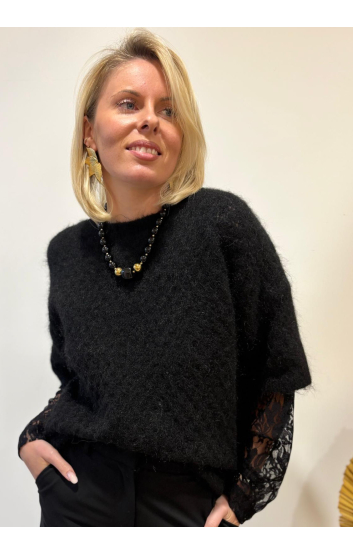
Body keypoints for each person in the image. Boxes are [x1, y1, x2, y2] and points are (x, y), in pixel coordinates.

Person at [18, 28, 313, 527]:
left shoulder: (220, 225)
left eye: (169, 111)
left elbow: (275, 372)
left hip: (182, 506)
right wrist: (30, 442)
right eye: (128, 103)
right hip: (76, 500)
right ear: (89, 131)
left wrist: (243, 496)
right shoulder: (68, 252)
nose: (150, 120)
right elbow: (79, 383)